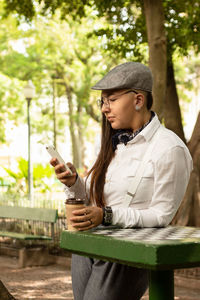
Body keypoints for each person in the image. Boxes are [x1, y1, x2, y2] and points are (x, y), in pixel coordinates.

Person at [50, 62, 193, 300]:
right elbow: (102, 198)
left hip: (126, 253)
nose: (105, 109)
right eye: (103, 101)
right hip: (89, 243)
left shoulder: (170, 148)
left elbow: (161, 215)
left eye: (111, 100)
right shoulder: (113, 144)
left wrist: (106, 215)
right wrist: (74, 182)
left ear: (138, 100)